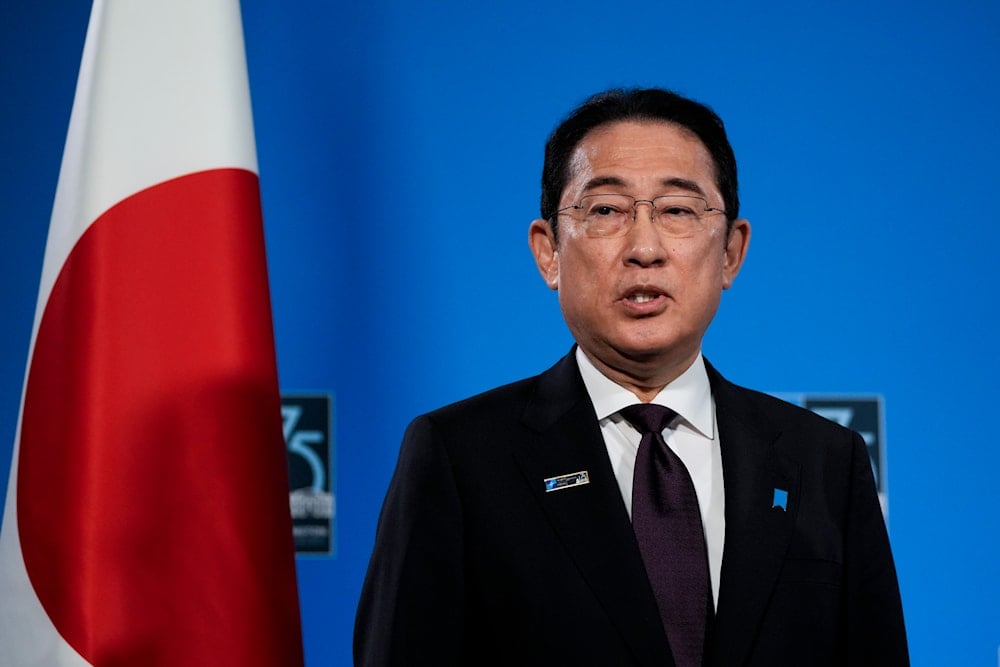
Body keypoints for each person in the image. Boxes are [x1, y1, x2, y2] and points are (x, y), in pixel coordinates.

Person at [354, 87, 908, 666]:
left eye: (676, 210)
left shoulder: (824, 462)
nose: (644, 248)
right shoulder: (460, 459)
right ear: (548, 252)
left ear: (730, 254)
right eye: (606, 210)